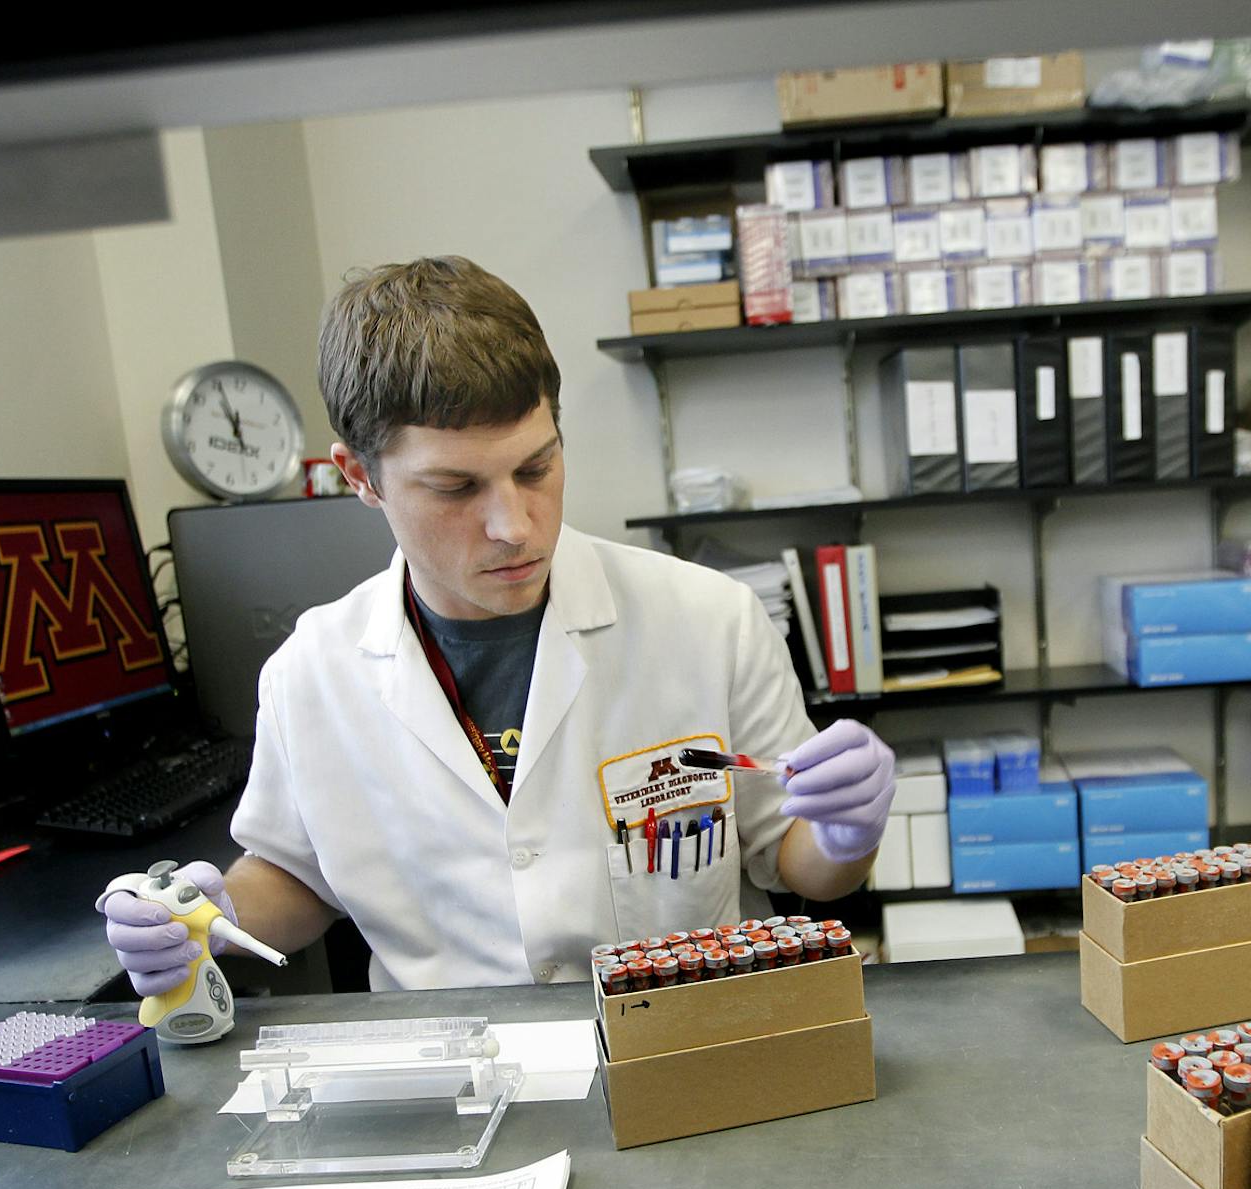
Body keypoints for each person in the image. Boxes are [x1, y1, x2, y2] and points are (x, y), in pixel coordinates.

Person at [98, 256, 894, 997]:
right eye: (454, 487)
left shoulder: (707, 619)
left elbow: (797, 861)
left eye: (535, 467)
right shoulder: (314, 672)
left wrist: (847, 831)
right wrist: (209, 919)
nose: (514, 525)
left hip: (682, 1050)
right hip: (452, 1077)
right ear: (359, 476)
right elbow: (300, 877)